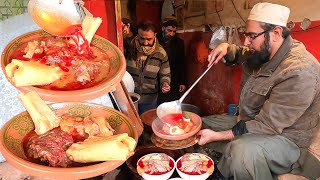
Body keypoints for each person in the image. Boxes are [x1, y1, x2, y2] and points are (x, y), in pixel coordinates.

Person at [197, 2, 320, 180]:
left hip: (287, 139)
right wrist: (227, 47)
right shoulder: (267, 49)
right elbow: (243, 53)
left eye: (252, 36)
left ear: (276, 33)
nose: (246, 41)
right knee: (201, 125)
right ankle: (225, 169)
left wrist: (218, 136)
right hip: (252, 120)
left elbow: (267, 125)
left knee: (242, 151)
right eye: (246, 35)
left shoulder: (300, 71)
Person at [126, 21, 171, 114]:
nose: (145, 43)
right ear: (138, 35)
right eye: (142, 38)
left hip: (150, 99)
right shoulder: (129, 49)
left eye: (149, 39)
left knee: (147, 124)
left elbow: (165, 73)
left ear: (155, 35)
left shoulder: (160, 53)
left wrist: (165, 83)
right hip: (130, 97)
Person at [156, 16, 186, 105]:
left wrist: (182, 82)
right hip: (158, 77)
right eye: (169, 31)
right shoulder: (155, 40)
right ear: (163, 28)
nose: (171, 34)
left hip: (174, 78)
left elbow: (182, 63)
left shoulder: (179, 42)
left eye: (174, 31)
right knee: (160, 103)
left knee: (173, 103)